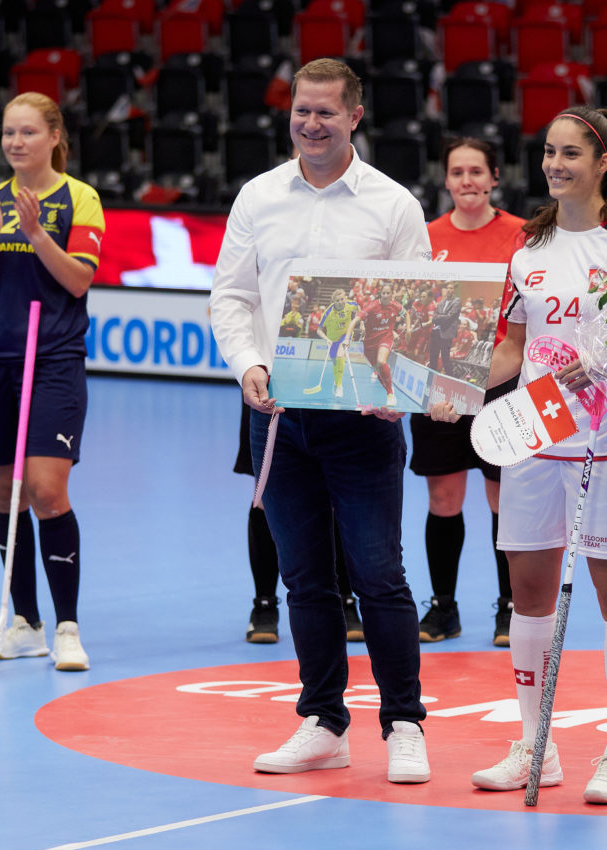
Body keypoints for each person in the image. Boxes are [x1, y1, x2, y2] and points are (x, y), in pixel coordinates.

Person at [209, 58, 432, 784]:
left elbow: (418, 314)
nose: (310, 124)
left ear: (355, 116)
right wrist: (248, 364)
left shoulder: (394, 204)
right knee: (304, 577)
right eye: (302, 111)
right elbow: (231, 296)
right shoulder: (257, 196)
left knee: (380, 575)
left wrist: (394, 385)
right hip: (278, 418)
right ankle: (324, 721)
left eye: (325, 112)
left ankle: (404, 723)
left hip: (364, 420)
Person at [435, 106, 607, 805]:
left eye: (570, 154)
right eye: (548, 153)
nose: (555, 164)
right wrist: (456, 385)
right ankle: (535, 742)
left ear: (603, 162)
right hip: (534, 436)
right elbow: (511, 346)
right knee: (527, 592)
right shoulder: (528, 246)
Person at [0, 93, 105, 672]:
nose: (16, 143)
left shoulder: (80, 199)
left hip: (52, 360)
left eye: (27, 132)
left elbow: (77, 282)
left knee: (46, 490)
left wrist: (41, 234)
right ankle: (26, 623)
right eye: (7, 133)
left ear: (53, 137)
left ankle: (67, 626)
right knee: (4, 493)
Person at [410, 137, 524, 647]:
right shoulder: (426, 236)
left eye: (477, 171)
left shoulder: (524, 236)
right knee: (444, 496)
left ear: (494, 176)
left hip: (503, 381)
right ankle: (444, 608)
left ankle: (510, 607)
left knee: (503, 498)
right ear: (446, 180)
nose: (467, 181)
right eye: (457, 172)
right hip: (439, 386)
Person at [234, 400, 365, 645]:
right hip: (273, 387)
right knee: (265, 491)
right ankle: (264, 604)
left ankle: (345, 598)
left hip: (335, 387)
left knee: (337, 490)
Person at [356, 281, 406, 408]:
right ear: (380, 294)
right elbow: (359, 318)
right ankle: (389, 391)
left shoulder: (395, 306)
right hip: (370, 341)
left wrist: (407, 330)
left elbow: (405, 315)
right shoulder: (372, 307)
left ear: (391, 295)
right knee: (377, 369)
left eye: (388, 293)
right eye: (383, 293)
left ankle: (390, 393)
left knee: (381, 361)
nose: (385, 295)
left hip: (385, 338)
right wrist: (359, 326)